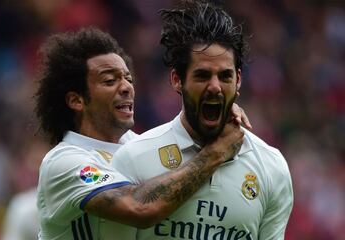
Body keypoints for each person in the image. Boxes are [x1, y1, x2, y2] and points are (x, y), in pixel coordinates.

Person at [35, 27, 251, 239]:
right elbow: (139, 208)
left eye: (128, 79)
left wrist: (219, 107)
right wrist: (216, 152)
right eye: (110, 81)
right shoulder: (65, 162)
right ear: (76, 100)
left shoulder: (136, 146)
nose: (127, 87)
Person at [111, 1, 294, 240]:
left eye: (225, 75)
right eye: (202, 75)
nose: (215, 87)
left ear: (238, 80)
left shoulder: (271, 167)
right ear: (177, 79)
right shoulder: (133, 158)